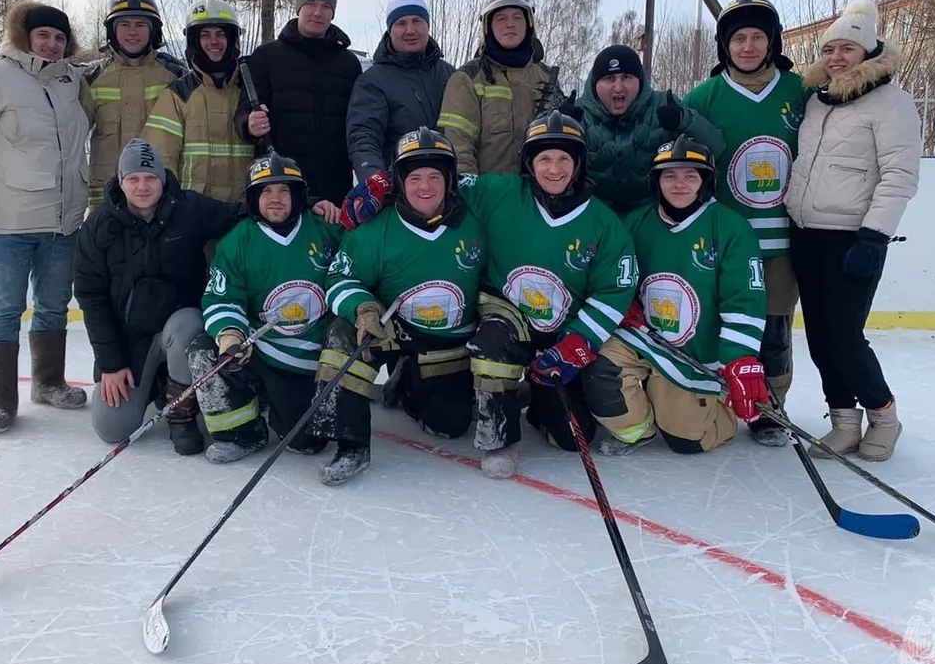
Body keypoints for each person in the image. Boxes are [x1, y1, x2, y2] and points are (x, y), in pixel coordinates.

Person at [459, 112, 638, 479]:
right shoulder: (500, 193)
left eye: (563, 159)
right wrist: (381, 190)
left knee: (573, 438)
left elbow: (614, 289)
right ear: (530, 163)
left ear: (578, 164)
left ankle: (534, 397)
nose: (553, 169)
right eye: (544, 159)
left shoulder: (603, 222)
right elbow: (435, 188)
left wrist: (580, 340)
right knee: (493, 342)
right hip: (506, 313)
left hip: (562, 331)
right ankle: (499, 439)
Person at [0, 0, 92, 436]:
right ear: (23, 36)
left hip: (63, 219)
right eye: (44, 35)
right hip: (8, 221)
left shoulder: (71, 80)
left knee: (53, 306)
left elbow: (111, 70)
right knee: (5, 309)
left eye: (60, 38)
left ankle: (47, 383)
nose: (51, 44)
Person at [785, 0, 921, 462]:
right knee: (820, 335)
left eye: (847, 48)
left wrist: (874, 236)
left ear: (867, 52)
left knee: (845, 334)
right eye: (830, 49)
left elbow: (899, 175)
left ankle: (884, 415)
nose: (837, 57)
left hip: (853, 237)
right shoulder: (818, 102)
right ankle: (844, 420)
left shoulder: (891, 103)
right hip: (806, 232)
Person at [315, 127, 487, 485]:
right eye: (415, 178)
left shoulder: (475, 218)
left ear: (449, 179)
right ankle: (351, 444)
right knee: (342, 335)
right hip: (391, 329)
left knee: (450, 426)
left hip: (447, 339)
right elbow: (339, 279)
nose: (425, 187)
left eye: (435, 177)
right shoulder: (376, 229)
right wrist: (363, 308)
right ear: (399, 182)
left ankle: (407, 383)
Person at [683, 0, 806, 445]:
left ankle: (770, 407)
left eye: (758, 36)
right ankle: (720, 397)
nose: (748, 46)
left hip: (783, 239)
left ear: (772, 41)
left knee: (772, 327)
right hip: (726, 240)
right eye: (739, 38)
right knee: (727, 325)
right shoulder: (703, 98)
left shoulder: (800, 91)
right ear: (725, 45)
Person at [72, 139, 243, 454]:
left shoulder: (190, 208)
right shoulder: (99, 225)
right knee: (112, 429)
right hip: (127, 341)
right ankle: (154, 384)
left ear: (163, 180)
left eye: (150, 178)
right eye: (133, 178)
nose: (142, 186)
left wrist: (305, 204)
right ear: (120, 181)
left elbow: (243, 213)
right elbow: (90, 295)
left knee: (190, 321)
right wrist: (111, 363)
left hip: (176, 332)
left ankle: (181, 415)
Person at [601, 136, 769, 454]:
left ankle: (719, 411)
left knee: (686, 442)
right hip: (645, 337)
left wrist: (738, 358)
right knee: (599, 369)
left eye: (690, 176)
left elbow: (744, 299)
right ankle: (640, 429)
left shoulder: (731, 227)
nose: (680, 184)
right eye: (670, 176)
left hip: (695, 351)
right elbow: (616, 277)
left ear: (705, 181)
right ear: (657, 181)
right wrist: (624, 304)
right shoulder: (636, 222)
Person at [187, 152, 344, 463]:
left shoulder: (326, 229)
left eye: (284, 190)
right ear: (253, 197)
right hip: (259, 345)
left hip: (306, 355)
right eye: (266, 191)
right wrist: (230, 334)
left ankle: (275, 401)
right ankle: (241, 434)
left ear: (298, 195)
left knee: (307, 443)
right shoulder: (238, 240)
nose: (275, 199)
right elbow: (223, 297)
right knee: (204, 349)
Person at [233, 0, 362, 204]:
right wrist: (249, 123)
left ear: (333, 13)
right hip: (281, 184)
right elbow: (244, 111)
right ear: (298, 8)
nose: (318, 12)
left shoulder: (349, 64)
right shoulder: (267, 56)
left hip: (336, 186)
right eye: (311, 4)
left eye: (326, 6)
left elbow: (358, 121)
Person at [575, 44, 726, 216]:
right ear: (595, 83)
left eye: (626, 77)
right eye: (609, 78)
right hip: (595, 218)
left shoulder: (663, 105)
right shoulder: (578, 114)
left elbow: (717, 147)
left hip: (655, 218)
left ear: (640, 80)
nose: (618, 87)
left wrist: (685, 120)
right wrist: (562, 131)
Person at [437, 0, 560, 175]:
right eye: (501, 18)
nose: (510, 24)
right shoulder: (467, 79)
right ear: (488, 27)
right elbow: (458, 145)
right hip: (488, 196)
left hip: (539, 198)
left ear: (529, 24)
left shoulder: (547, 77)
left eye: (517, 17)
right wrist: (472, 193)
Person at [83, 0, 187, 206]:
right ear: (112, 31)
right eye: (124, 24)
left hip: (158, 190)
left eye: (140, 24)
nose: (132, 32)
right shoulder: (91, 78)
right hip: (107, 193)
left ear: (154, 31)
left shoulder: (176, 74)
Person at [148, 0, 255, 202]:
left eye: (220, 34)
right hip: (195, 216)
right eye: (205, 35)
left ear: (233, 39)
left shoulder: (251, 90)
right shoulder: (177, 95)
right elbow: (161, 159)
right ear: (194, 41)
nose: (213, 41)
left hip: (245, 215)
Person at [345, 0, 455, 181]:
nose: (410, 30)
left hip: (449, 185)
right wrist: (374, 179)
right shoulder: (373, 81)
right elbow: (364, 137)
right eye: (401, 23)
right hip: (399, 189)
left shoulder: (451, 75)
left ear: (427, 26)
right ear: (390, 30)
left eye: (417, 21)